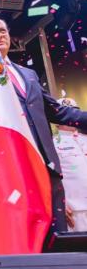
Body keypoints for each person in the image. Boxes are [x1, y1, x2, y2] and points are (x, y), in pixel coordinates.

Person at [0, 16, 87, 241]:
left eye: (2, 31)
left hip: (45, 169)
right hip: (8, 170)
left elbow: (57, 112)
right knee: (19, 238)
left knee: (56, 238)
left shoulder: (28, 74)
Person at [54, 98, 87, 232]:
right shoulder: (52, 144)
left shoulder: (85, 139)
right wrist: (59, 203)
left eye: (74, 112)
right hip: (75, 209)